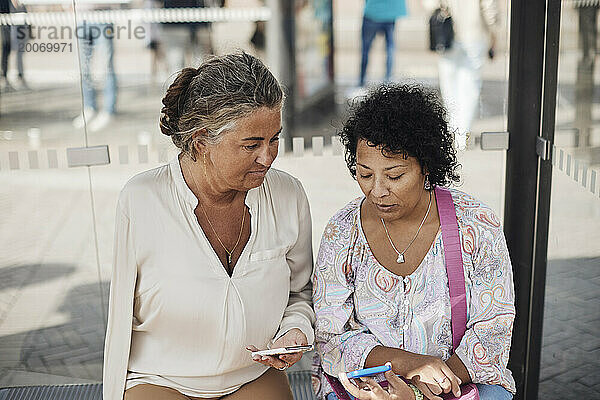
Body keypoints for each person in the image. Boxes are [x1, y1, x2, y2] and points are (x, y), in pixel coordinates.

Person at [103, 52, 315, 400]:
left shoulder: (287, 193)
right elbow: (119, 323)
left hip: (252, 375)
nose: (268, 156)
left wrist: (295, 329)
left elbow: (300, 292)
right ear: (201, 140)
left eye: (274, 138)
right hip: (160, 379)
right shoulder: (141, 199)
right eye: (252, 144)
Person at [312, 84, 515, 400]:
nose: (377, 190)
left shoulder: (474, 223)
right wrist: (408, 366)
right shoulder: (342, 232)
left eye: (394, 176)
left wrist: (429, 384)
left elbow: (494, 328)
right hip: (368, 390)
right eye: (365, 174)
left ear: (427, 167)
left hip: (461, 383)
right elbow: (331, 336)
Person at [424, 0, 499, 150]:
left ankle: (453, 130)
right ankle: (462, 135)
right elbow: (490, 7)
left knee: (449, 86)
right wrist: (494, 32)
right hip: (474, 34)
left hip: (447, 32)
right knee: (470, 88)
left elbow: (429, 3)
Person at [359, 0, 407, 87]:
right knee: (390, 48)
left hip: (372, 13)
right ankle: (388, 81)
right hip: (390, 14)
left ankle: (362, 81)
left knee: (365, 50)